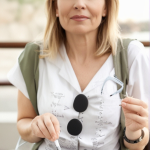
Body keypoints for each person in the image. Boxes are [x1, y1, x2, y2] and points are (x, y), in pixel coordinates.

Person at [7, 0, 149, 150]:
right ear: (55, 6)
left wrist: (134, 131)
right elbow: (23, 122)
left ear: (106, 7)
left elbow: (140, 142)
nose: (79, 4)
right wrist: (34, 127)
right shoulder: (34, 56)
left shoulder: (131, 56)